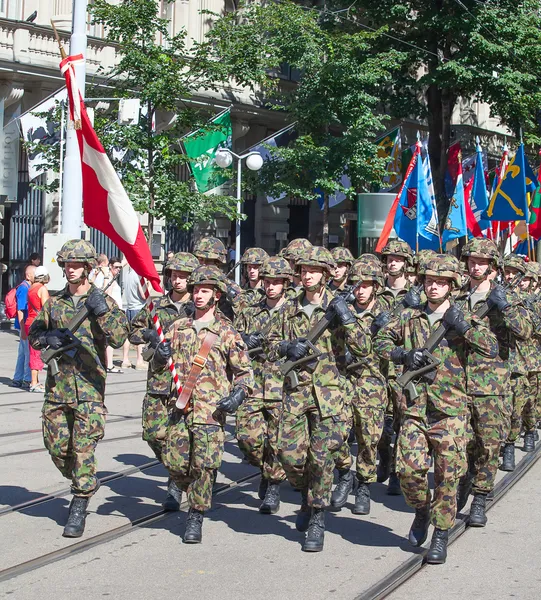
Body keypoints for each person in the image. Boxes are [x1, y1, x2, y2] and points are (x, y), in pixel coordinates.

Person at [374, 254, 498, 564]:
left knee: (448, 477)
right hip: (415, 408)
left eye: (441, 282)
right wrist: (403, 354)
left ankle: (441, 534)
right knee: (407, 471)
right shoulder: (409, 316)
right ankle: (420, 509)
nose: (434, 286)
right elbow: (378, 341)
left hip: (450, 410)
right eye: (430, 281)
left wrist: (465, 326)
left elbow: (491, 347)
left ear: (451, 285)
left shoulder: (462, 317)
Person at [266, 246, 371, 552]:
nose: (307, 274)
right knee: (289, 455)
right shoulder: (289, 307)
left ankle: (318, 518)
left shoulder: (338, 307)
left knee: (321, 458)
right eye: (303, 270)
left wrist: (347, 318)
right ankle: (305, 496)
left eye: (313, 270)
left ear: (326, 274)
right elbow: (268, 346)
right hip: (296, 392)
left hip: (329, 395)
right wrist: (287, 348)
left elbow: (364, 350)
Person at [28, 240, 128, 538]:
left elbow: (120, 338)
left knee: (84, 449)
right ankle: (84, 481)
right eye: (66, 265)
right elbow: (33, 333)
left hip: (89, 390)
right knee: (57, 447)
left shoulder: (102, 302)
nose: (70, 270)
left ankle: (80, 500)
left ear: (87, 269)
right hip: (57, 388)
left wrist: (103, 313)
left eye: (76, 266)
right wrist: (48, 339)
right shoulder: (55, 302)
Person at [151, 265, 254, 543]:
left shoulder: (226, 332)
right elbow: (157, 363)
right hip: (180, 409)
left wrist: (237, 395)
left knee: (205, 466)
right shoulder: (178, 327)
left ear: (216, 295)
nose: (198, 295)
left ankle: (195, 514)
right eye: (196, 290)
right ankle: (192, 493)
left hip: (210, 412)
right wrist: (159, 356)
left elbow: (244, 373)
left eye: (204, 291)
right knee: (175, 463)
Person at [455, 240, 531, 526]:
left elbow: (524, 331)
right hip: (457, 381)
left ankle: (479, 497)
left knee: (488, 444)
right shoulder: (459, 296)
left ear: (493, 267)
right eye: (472, 261)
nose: (475, 266)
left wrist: (507, 306)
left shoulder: (507, 297)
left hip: (493, 385)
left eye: (482, 262)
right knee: (461, 443)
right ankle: (463, 480)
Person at [129, 252, 199, 510]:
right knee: (153, 434)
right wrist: (149, 333)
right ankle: (178, 473)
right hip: (160, 381)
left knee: (187, 437)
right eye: (174, 275)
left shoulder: (200, 307)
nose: (178, 280)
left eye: (183, 276)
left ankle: (176, 483)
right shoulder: (155, 307)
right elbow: (133, 333)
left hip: (189, 383)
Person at [330, 255, 392, 513]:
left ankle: (364, 484)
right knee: (336, 435)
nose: (360, 290)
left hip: (371, 385)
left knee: (368, 440)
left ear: (376, 286)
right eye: (356, 284)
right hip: (342, 382)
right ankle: (345, 473)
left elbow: (382, 351)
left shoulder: (385, 315)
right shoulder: (342, 309)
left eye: (366, 285)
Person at [234, 256, 292, 514]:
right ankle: (264, 469)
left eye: (276, 282)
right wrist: (244, 339)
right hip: (255, 384)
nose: (270, 286)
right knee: (248, 437)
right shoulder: (250, 311)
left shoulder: (294, 313)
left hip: (283, 385)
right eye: (267, 282)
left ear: (285, 284)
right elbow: (234, 341)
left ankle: (273, 485)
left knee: (277, 440)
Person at [378, 239, 416, 496]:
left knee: (403, 424)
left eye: (398, 259)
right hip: (378, 367)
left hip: (404, 370)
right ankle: (384, 457)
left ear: (406, 263)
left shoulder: (417, 294)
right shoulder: (374, 290)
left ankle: (395, 472)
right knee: (379, 424)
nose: (393, 262)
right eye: (389, 258)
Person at [26, 266, 50, 392]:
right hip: (38, 323)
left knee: (32, 351)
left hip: (29, 322)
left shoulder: (31, 288)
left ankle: (35, 381)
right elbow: (46, 309)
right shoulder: (42, 289)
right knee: (37, 352)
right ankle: (34, 383)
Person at [11, 264, 35, 390]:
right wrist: (23, 330)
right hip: (23, 325)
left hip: (23, 325)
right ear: (28, 275)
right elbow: (20, 310)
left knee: (22, 353)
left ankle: (17, 378)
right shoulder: (24, 288)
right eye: (34, 274)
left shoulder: (25, 287)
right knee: (27, 353)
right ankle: (26, 378)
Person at [105, 256, 129, 373]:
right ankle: (109, 364)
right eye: (116, 267)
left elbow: (124, 262)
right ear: (110, 266)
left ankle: (108, 363)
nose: (118, 270)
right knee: (110, 339)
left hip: (117, 311)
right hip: (111, 312)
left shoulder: (113, 276)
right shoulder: (107, 278)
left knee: (111, 339)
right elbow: (105, 294)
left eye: (120, 268)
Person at [123, 265, 147, 370]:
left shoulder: (127, 274)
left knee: (127, 335)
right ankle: (139, 361)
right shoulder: (139, 276)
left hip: (129, 307)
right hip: (138, 307)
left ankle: (125, 360)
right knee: (140, 335)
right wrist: (149, 286)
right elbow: (143, 295)